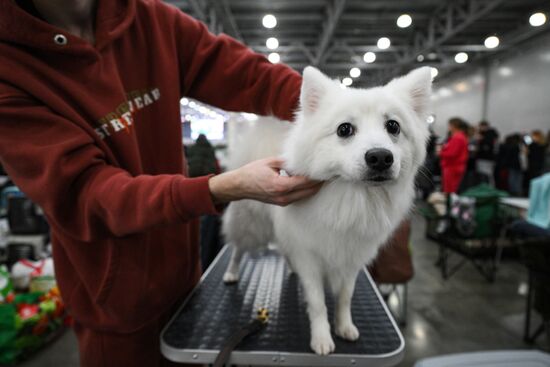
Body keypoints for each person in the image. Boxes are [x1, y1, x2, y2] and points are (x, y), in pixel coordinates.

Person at [0, 1, 322, 366]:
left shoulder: (149, 19)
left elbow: (247, 75)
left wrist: (329, 109)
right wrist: (217, 188)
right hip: (117, 314)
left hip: (185, 284)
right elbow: (90, 194)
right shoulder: (9, 68)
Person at [438, 118, 469, 193]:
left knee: (449, 190)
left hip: (452, 167)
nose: (448, 127)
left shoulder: (458, 138)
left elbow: (452, 154)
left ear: (453, 126)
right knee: (450, 189)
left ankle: (449, 204)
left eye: (449, 125)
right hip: (453, 166)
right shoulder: (459, 137)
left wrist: (440, 152)